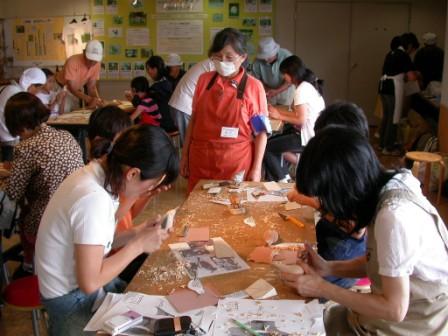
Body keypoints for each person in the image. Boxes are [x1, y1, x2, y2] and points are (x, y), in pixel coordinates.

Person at [280, 126, 448, 335]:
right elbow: (381, 262)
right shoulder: (386, 185)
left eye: (324, 197)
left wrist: (321, 287)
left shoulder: (393, 218)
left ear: (343, 189)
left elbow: (394, 309)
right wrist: (328, 268)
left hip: (415, 322)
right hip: (392, 313)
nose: (324, 207)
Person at [35, 125, 179, 335]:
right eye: (148, 186)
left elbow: (98, 242)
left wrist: (136, 232)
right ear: (132, 173)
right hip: (70, 301)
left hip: (77, 290)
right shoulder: (93, 199)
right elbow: (90, 282)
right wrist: (138, 246)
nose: (146, 192)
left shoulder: (99, 176)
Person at [288, 102, 368, 290]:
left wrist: (322, 285)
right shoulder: (348, 166)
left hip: (347, 248)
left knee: (297, 289)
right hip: (336, 243)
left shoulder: (357, 176)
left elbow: (355, 228)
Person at [2, 92, 83, 278]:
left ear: (15, 124)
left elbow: (14, 192)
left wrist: (9, 176)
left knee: (22, 217)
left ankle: (31, 268)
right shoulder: (65, 136)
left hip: (46, 220)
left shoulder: (25, 148)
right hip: (75, 214)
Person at [180, 28, 269, 192]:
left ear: (243, 57)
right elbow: (194, 120)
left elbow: (261, 132)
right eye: (218, 57)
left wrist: (256, 169)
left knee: (231, 211)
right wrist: (184, 155)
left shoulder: (253, 87)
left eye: (229, 57)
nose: (222, 61)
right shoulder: (204, 81)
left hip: (234, 163)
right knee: (198, 210)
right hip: (200, 159)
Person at [263, 55, 324, 182]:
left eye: (284, 74)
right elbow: (300, 114)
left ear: (291, 74)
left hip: (306, 136)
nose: (283, 77)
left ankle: (282, 180)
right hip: (314, 134)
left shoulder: (302, 90)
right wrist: (277, 112)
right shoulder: (308, 85)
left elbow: (301, 119)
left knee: (267, 146)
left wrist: (279, 115)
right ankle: (284, 175)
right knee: (275, 142)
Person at [378, 35, 415, 155]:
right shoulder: (403, 55)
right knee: (394, 117)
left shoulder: (390, 53)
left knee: (387, 116)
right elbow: (411, 77)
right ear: (409, 46)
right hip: (393, 87)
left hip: (383, 86)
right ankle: (388, 147)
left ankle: (381, 144)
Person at [0, 67, 46, 161]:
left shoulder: (8, 87)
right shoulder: (18, 95)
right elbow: (26, 120)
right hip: (10, 138)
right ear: (31, 85)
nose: (37, 93)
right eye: (39, 89)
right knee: (11, 168)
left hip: (5, 135)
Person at [168, 58, 215, 146]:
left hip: (184, 106)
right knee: (189, 143)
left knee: (191, 141)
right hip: (183, 107)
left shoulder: (211, 63)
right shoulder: (215, 64)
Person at [55, 39, 104, 111]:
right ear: (84, 53)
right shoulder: (72, 61)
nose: (92, 64)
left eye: (95, 61)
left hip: (76, 90)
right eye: (90, 60)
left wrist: (96, 100)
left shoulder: (97, 64)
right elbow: (72, 88)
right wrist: (90, 100)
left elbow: (91, 87)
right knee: (64, 113)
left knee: (76, 112)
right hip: (60, 87)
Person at [252, 37, 295, 105]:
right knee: (269, 112)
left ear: (275, 52)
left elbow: (291, 79)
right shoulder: (257, 61)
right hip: (268, 91)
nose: (266, 59)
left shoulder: (287, 56)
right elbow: (257, 80)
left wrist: (277, 91)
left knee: (284, 112)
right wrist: (267, 89)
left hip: (286, 90)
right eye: (263, 57)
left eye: (268, 56)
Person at [145, 55, 177, 133]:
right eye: (147, 69)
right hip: (174, 121)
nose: (149, 71)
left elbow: (146, 105)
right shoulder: (169, 81)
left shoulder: (156, 88)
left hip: (162, 125)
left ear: (157, 69)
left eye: (151, 68)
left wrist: (134, 99)